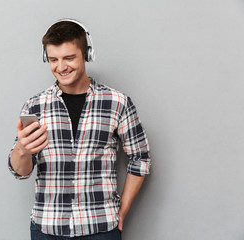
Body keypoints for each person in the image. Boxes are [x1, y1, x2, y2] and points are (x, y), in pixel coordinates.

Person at [8, 19, 151, 240]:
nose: (61, 67)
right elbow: (20, 171)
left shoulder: (117, 102)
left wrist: (122, 210)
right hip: (47, 229)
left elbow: (140, 158)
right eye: (53, 59)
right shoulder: (34, 106)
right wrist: (22, 150)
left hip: (100, 228)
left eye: (69, 58)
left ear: (87, 54)